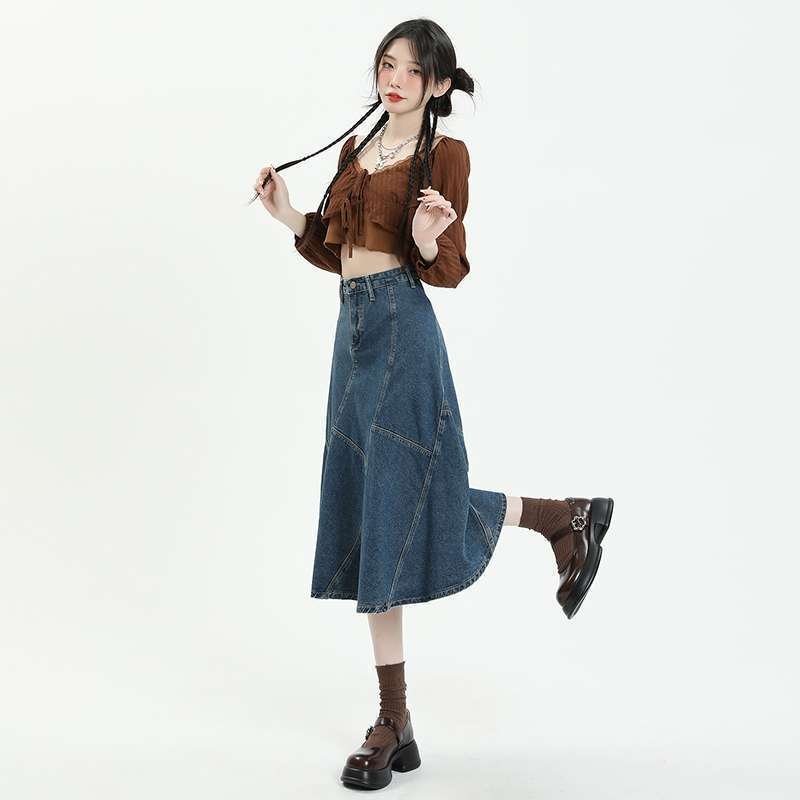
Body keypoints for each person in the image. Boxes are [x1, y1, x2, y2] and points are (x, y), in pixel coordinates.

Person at [252, 18, 614, 791]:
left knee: (397, 502)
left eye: (413, 70)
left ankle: (392, 720)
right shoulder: (357, 149)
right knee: (373, 505)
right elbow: (337, 250)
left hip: (403, 329)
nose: (395, 79)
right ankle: (562, 517)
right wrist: (287, 215)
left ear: (440, 84)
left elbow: (447, 266)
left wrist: (422, 238)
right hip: (352, 333)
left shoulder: (444, 155)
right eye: (387, 64)